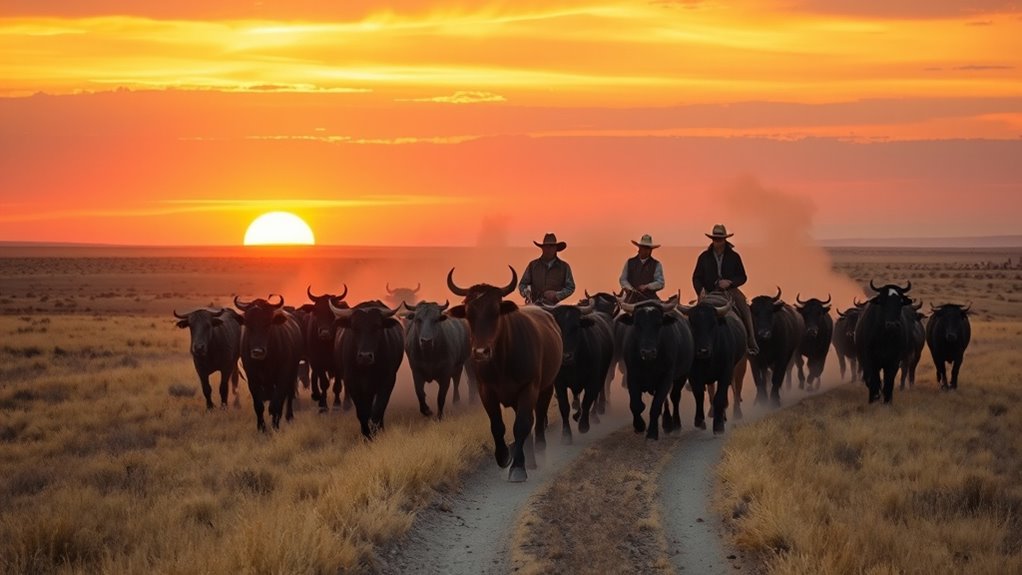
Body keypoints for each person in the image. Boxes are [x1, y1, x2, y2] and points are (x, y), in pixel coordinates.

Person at [691, 224, 759, 355]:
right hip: (709, 292)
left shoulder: (734, 256)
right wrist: (700, 291)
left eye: (720, 239)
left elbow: (743, 277)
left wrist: (730, 282)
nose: (717, 242)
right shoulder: (704, 257)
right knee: (696, 314)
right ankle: (691, 344)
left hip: (730, 292)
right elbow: (696, 277)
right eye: (715, 239)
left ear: (725, 239)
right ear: (712, 239)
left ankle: (751, 341)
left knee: (744, 308)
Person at [518, 233, 576, 304]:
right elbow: (522, 284)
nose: (548, 249)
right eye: (546, 247)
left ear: (556, 249)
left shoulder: (564, 267)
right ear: (542, 248)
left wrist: (557, 295)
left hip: (555, 308)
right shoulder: (533, 265)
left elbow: (570, 287)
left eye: (551, 246)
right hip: (536, 306)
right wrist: (525, 292)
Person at [619, 234, 665, 303]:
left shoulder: (656, 264)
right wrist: (630, 289)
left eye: (647, 248)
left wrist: (647, 286)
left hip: (650, 298)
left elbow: (660, 282)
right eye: (642, 247)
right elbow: (623, 279)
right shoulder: (630, 262)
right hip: (631, 299)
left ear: (650, 250)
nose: (643, 250)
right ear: (639, 248)